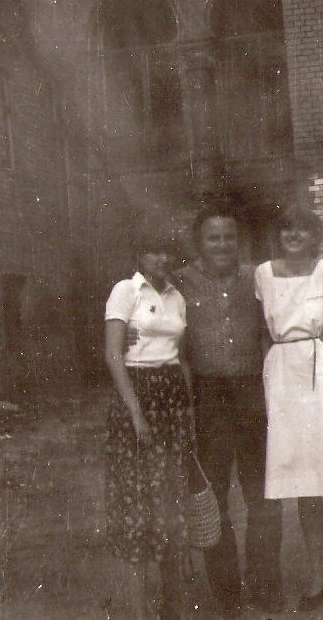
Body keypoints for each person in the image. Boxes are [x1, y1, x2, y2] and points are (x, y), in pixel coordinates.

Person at [254, 203, 323, 613]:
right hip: (283, 379)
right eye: (286, 228)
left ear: (315, 236)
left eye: (302, 229)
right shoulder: (263, 274)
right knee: (304, 486)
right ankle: (318, 576)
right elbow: (262, 332)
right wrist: (271, 372)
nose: (293, 235)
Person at [174, 202, 283, 619]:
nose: (222, 245)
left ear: (238, 240)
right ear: (199, 242)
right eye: (213, 238)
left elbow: (277, 325)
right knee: (214, 497)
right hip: (208, 397)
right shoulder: (180, 282)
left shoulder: (257, 278)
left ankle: (265, 586)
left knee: (263, 494)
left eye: (229, 237)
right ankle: (228, 596)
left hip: (253, 392)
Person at [104, 232, 191, 620]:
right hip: (136, 395)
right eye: (152, 250)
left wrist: (188, 410)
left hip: (172, 395)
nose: (161, 257)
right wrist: (137, 414)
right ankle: (140, 610)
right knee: (137, 503)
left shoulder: (176, 297)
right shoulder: (126, 291)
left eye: (166, 251)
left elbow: (180, 358)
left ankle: (173, 606)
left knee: (171, 498)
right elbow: (112, 355)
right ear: (139, 254)